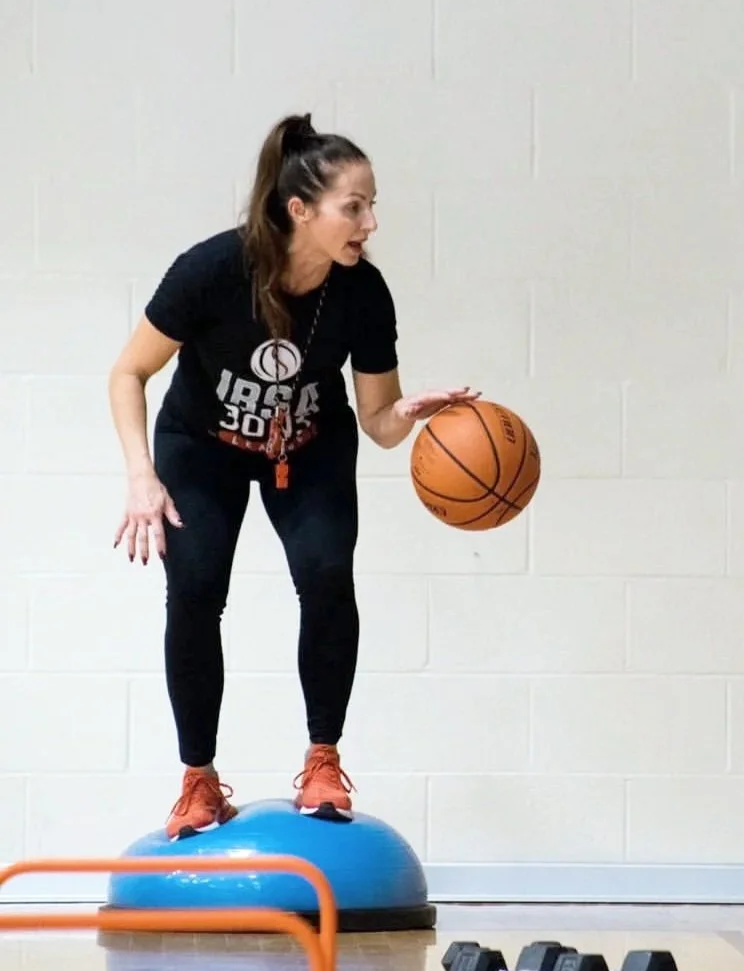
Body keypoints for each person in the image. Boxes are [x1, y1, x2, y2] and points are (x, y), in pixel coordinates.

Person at [108, 113, 476, 841]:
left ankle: (322, 760)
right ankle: (198, 781)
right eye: (355, 206)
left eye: (373, 206)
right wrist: (141, 477)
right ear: (299, 210)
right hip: (201, 445)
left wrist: (410, 414)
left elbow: (376, 420)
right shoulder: (212, 270)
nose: (369, 222)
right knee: (196, 592)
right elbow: (129, 372)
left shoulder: (363, 293)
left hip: (308, 445)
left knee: (326, 573)